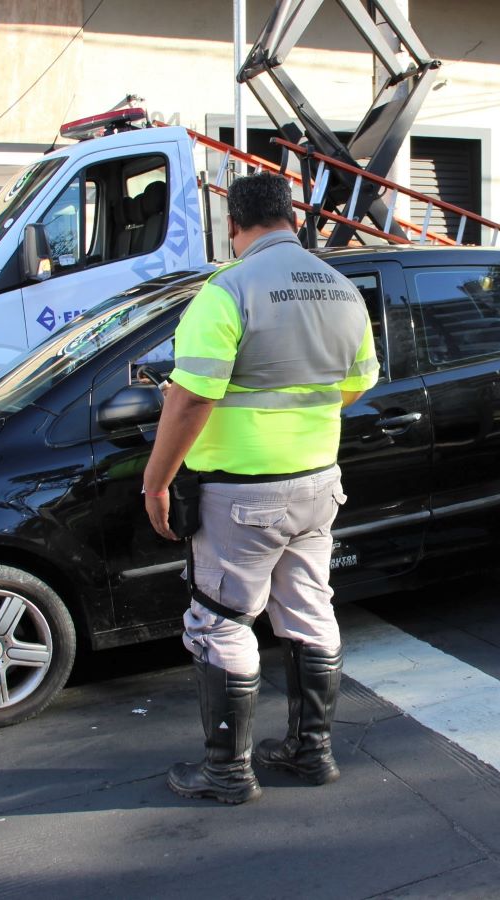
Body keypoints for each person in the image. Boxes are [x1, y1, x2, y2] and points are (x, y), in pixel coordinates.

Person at [142, 172, 380, 805]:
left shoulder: (228, 291)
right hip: (317, 482)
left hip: (240, 493)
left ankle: (227, 772)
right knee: (309, 612)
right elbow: (358, 383)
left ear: (233, 226)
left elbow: (192, 397)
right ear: (292, 220)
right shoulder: (341, 289)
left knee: (220, 623)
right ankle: (311, 753)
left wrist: (156, 481)